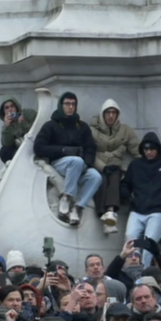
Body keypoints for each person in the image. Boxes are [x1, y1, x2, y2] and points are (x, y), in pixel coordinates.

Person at [35, 92, 102, 226]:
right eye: (67, 104)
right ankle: (66, 198)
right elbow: (39, 147)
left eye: (73, 104)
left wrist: (87, 164)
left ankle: (76, 208)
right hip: (59, 163)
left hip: (80, 165)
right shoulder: (50, 125)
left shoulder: (82, 126)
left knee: (96, 177)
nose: (70, 107)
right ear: (61, 105)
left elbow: (90, 148)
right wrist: (63, 150)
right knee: (76, 161)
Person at [90, 98, 138, 231]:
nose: (111, 116)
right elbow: (89, 152)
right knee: (100, 179)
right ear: (103, 114)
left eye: (114, 113)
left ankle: (110, 212)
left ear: (117, 114)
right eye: (108, 112)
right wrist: (102, 166)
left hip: (116, 167)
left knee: (115, 176)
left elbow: (137, 149)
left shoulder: (125, 130)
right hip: (98, 166)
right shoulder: (92, 131)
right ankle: (103, 215)